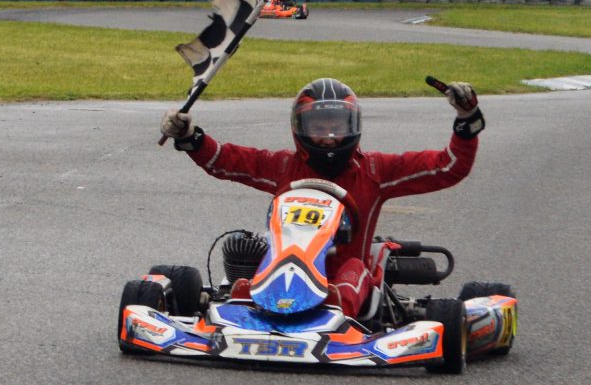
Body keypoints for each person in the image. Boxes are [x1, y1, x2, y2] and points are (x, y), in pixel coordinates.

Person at [160, 77, 485, 318]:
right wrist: (191, 137)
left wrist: (466, 122)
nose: (329, 138)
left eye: (338, 126)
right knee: (241, 279)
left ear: (353, 127)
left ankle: (331, 316)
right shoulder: (283, 166)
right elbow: (226, 160)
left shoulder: (376, 171)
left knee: (354, 272)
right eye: (319, 126)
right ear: (300, 128)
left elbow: (448, 167)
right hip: (287, 268)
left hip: (348, 280)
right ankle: (245, 309)